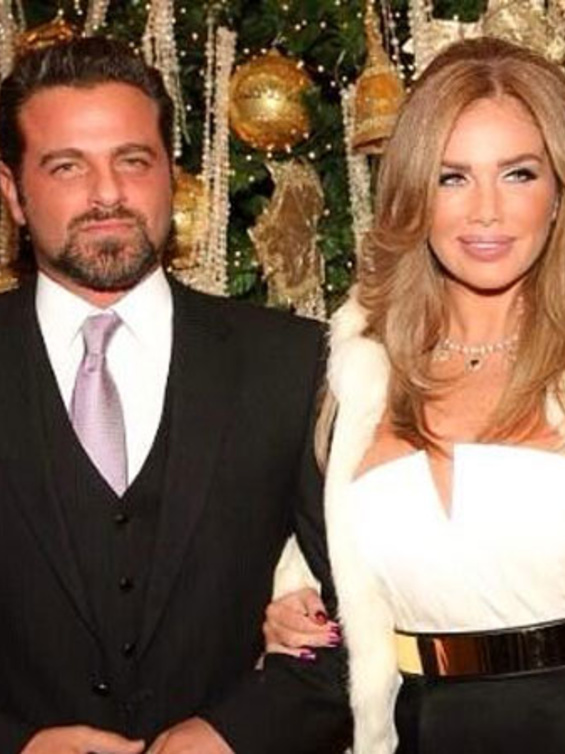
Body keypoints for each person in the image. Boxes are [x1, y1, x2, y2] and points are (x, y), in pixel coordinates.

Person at [0, 37, 352, 754]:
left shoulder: (297, 364)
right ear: (12, 193)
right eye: (67, 166)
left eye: (132, 160)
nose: (107, 193)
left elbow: (366, 614)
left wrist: (234, 734)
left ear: (169, 172)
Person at [263, 36, 565, 754]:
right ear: (413, 194)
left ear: (557, 194)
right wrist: (287, 594)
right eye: (451, 177)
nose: (485, 211)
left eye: (518, 173)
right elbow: (331, 543)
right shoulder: (358, 369)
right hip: (416, 730)